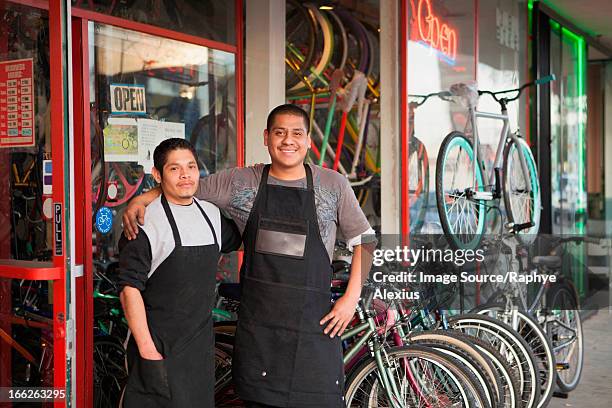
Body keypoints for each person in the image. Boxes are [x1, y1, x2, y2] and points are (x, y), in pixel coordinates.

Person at [123, 104, 375, 408]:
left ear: (309, 140)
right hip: (261, 336)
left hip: (313, 333)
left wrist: (350, 299)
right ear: (266, 137)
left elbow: (365, 240)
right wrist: (145, 196)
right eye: (280, 133)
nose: (288, 140)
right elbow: (186, 185)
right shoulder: (241, 181)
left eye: (297, 133)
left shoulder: (333, 184)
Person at [117, 138, 241, 407]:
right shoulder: (144, 221)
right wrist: (147, 350)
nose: (185, 175)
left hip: (199, 348)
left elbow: (247, 237)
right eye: (174, 169)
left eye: (191, 166)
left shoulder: (212, 215)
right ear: (157, 175)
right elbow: (129, 290)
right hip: (155, 346)